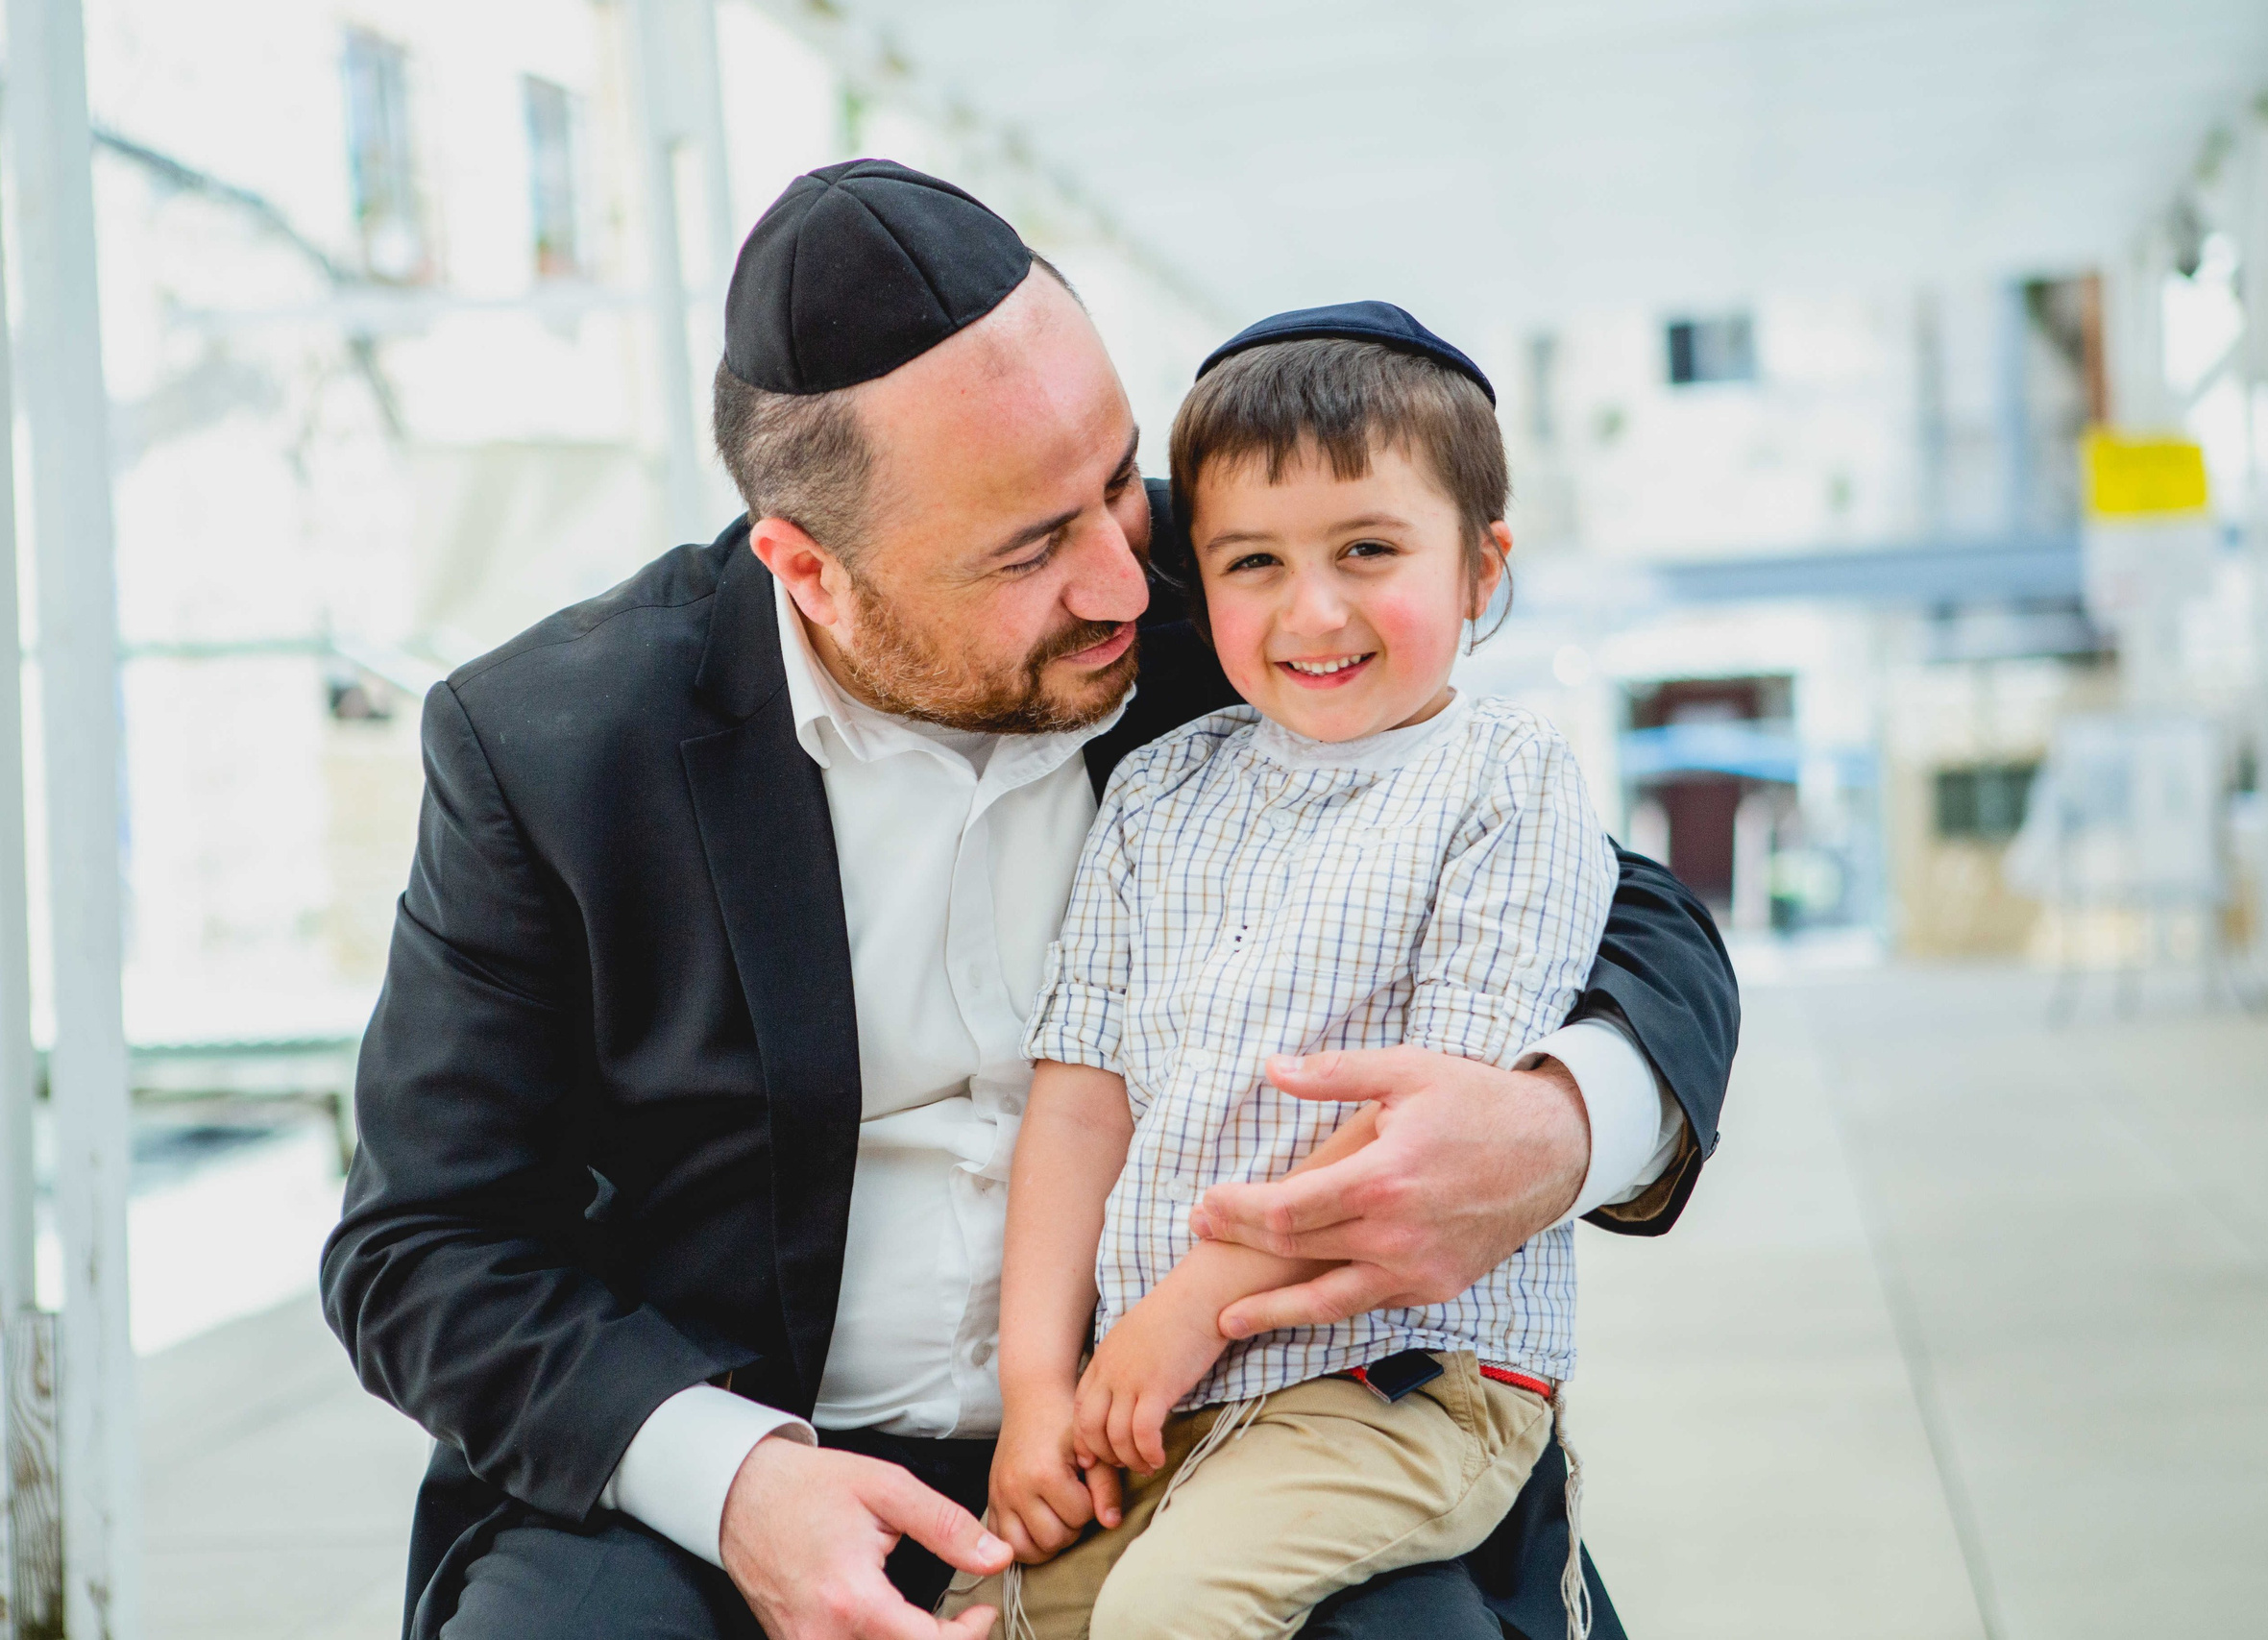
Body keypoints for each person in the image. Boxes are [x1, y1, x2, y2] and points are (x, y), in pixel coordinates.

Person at [321, 160, 1739, 1640]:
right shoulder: (554, 741)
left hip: (1226, 1425)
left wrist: (1564, 1121)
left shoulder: (1251, 590)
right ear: (808, 567)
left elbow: (1635, 918)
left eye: (1117, 479)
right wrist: (732, 1482)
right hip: (741, 1465)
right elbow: (421, 1247)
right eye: (1027, 548)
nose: (1126, 580)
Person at [942, 305, 1615, 1640]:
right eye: (1253, 561)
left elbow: (1424, 1130)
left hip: (1398, 1382)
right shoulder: (1154, 793)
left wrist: (1195, 1306)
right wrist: (1035, 1392)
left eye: (1370, 548)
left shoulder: (1505, 779)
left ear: (1482, 567)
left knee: (1173, 1619)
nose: (1315, 608)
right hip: (1154, 1393)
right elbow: (1081, 1102)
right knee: (976, 1619)